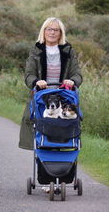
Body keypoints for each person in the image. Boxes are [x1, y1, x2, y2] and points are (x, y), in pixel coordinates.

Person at [18, 17, 83, 150]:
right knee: (40, 126)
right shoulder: (36, 50)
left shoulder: (68, 51)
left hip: (63, 95)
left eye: (56, 30)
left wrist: (73, 81)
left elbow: (77, 74)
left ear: (60, 33)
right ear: (44, 31)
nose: (52, 33)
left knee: (63, 126)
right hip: (42, 95)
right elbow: (29, 75)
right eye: (49, 29)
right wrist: (37, 81)